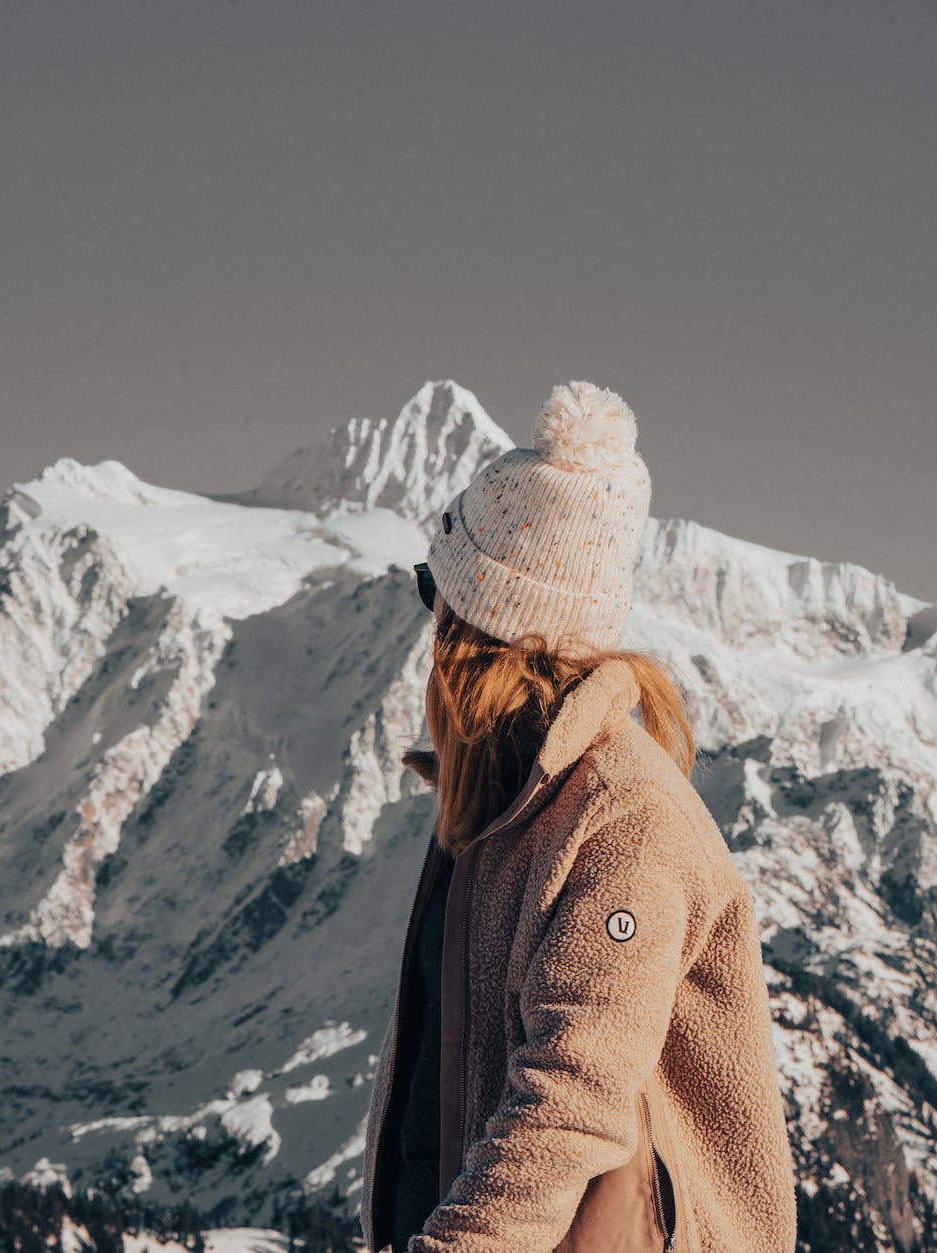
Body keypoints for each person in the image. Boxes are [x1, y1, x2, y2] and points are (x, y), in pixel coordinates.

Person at [357, 380, 799, 1252]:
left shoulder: (623, 822)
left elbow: (573, 1094)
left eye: (433, 590)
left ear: (473, 624)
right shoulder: (499, 810)